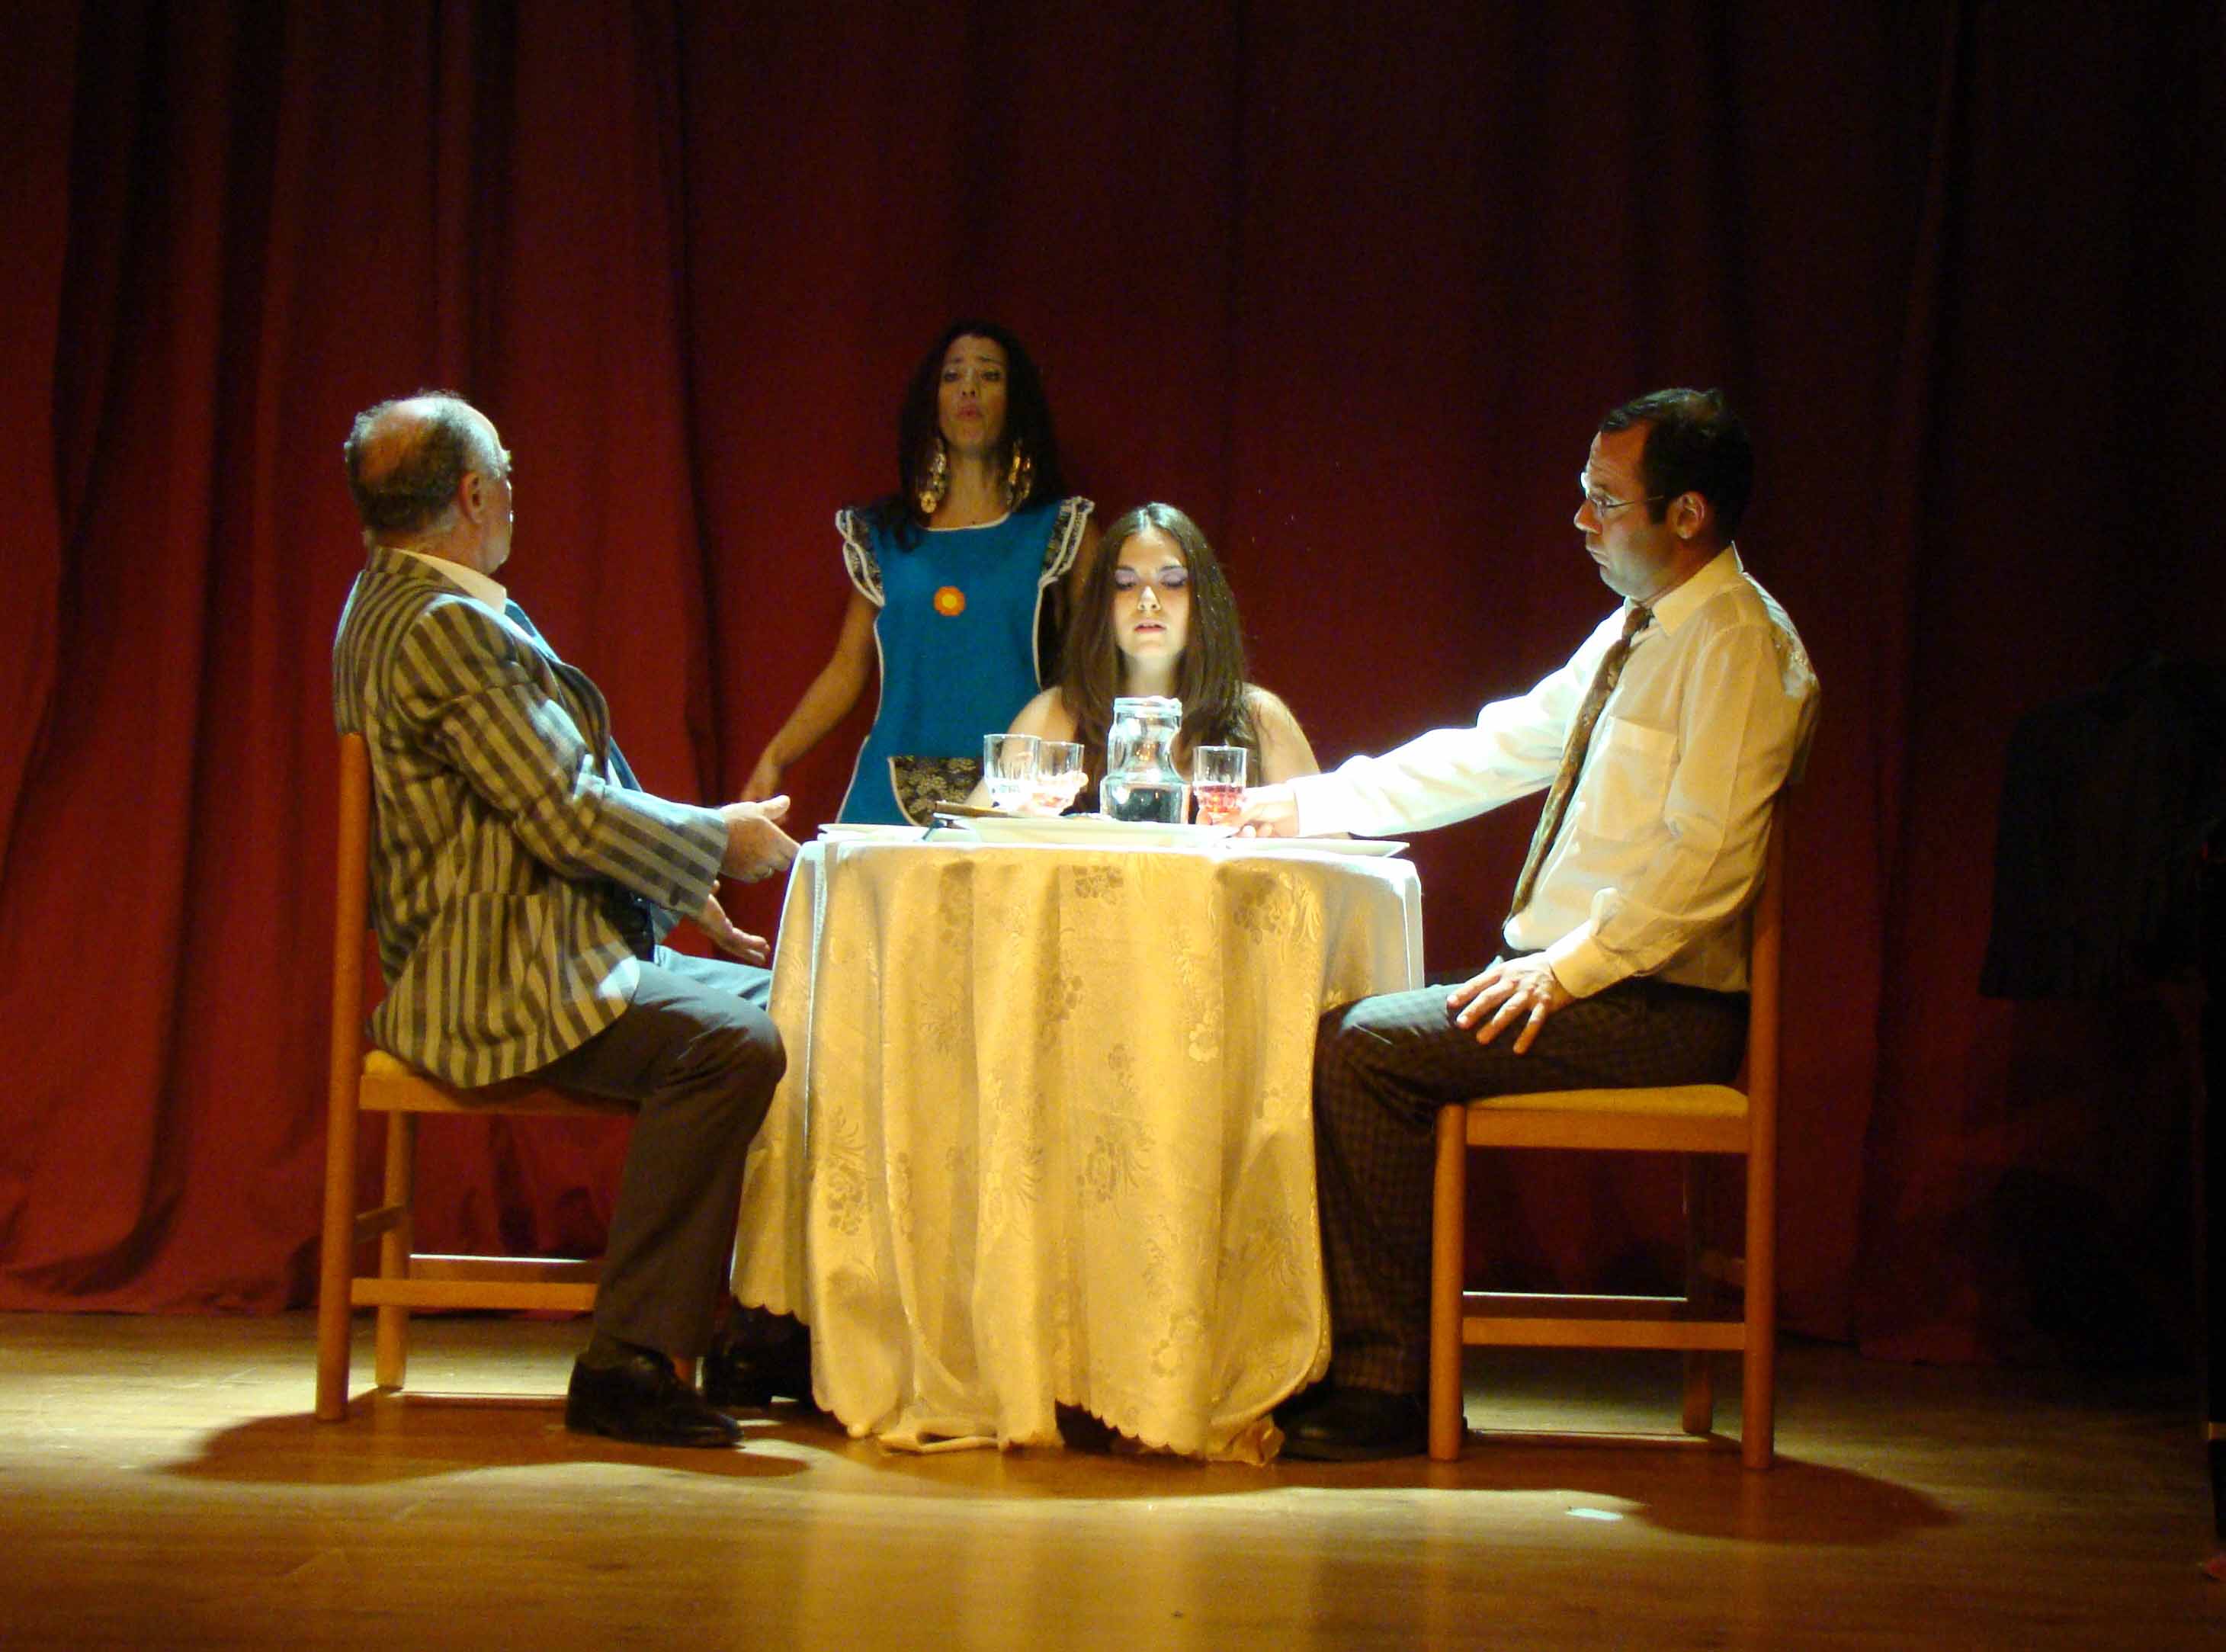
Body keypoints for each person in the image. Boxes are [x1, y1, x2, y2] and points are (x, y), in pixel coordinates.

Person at [1237, 389, 1819, 1459]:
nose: (1582, 520)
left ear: (1687, 514)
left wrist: (1564, 969)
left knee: (1363, 1050)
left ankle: (1391, 1383)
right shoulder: (1638, 630)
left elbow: (1705, 863)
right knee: (1355, 1030)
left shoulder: (1735, 645)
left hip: (1657, 1004)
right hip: (1604, 982)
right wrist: (1313, 802)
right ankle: (1366, 1358)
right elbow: (1498, 747)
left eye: (1607, 499)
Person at [332, 392, 799, 1450]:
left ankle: (766, 1325)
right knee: (731, 1044)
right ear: (473, 494)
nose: (513, 488)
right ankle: (628, 1358)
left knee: (804, 1004)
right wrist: (717, 839)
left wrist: (682, 887)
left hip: (528, 937)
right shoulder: (442, 625)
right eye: (505, 469)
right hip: (493, 972)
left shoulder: (400, 597)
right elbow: (564, 811)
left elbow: (549, 794)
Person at [744, 320, 1099, 825]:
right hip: (886, 797)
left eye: (989, 375)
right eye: (953, 376)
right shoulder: (886, 537)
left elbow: (1094, 670)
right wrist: (776, 756)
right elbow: (847, 668)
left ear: (1016, 399)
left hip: (1018, 795)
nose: (969, 388)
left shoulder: (1060, 531)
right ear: (932, 401)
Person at [989, 500, 1318, 807]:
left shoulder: (1260, 720)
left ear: (1205, 600)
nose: (1147, 600)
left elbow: (1327, 845)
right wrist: (1021, 820)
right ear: (1101, 605)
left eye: (1172, 581)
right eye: (1125, 583)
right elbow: (972, 834)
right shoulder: (1057, 715)